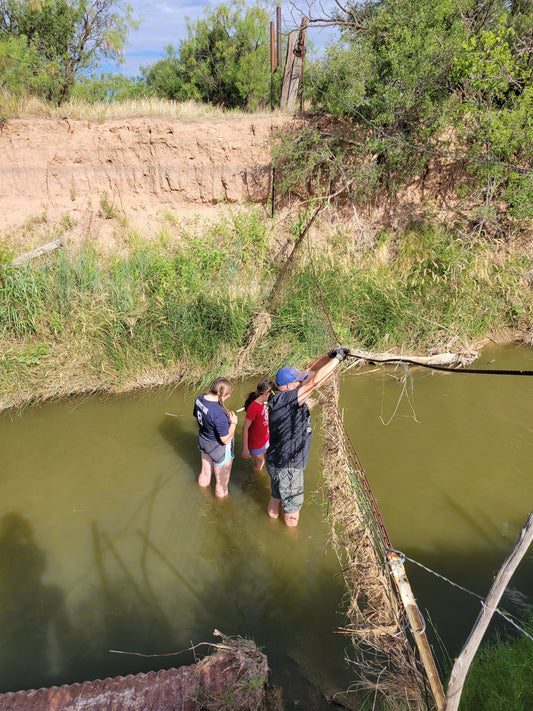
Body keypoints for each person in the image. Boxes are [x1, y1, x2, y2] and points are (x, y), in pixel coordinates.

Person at [266, 346, 350, 527]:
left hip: (275, 459)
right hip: (289, 466)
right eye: (298, 382)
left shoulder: (277, 395)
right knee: (292, 511)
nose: (302, 383)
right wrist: (338, 360)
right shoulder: (288, 400)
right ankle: (289, 542)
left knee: (276, 497)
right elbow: (313, 384)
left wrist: (329, 355)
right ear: (289, 387)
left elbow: (311, 372)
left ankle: (271, 527)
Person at [193, 377, 238, 498]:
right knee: (221, 483)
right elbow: (225, 439)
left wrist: (221, 422)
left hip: (203, 441)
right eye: (227, 395)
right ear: (221, 394)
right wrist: (233, 422)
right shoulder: (218, 413)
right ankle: (221, 508)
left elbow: (196, 416)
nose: (228, 397)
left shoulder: (200, 399)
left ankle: (202, 496)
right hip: (218, 447)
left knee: (205, 471)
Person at [241, 378, 275, 472]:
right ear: (266, 393)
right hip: (256, 442)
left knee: (270, 454)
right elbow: (245, 428)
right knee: (260, 464)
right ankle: (255, 479)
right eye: (272, 394)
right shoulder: (254, 407)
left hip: (264, 437)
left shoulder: (262, 403)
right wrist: (245, 449)